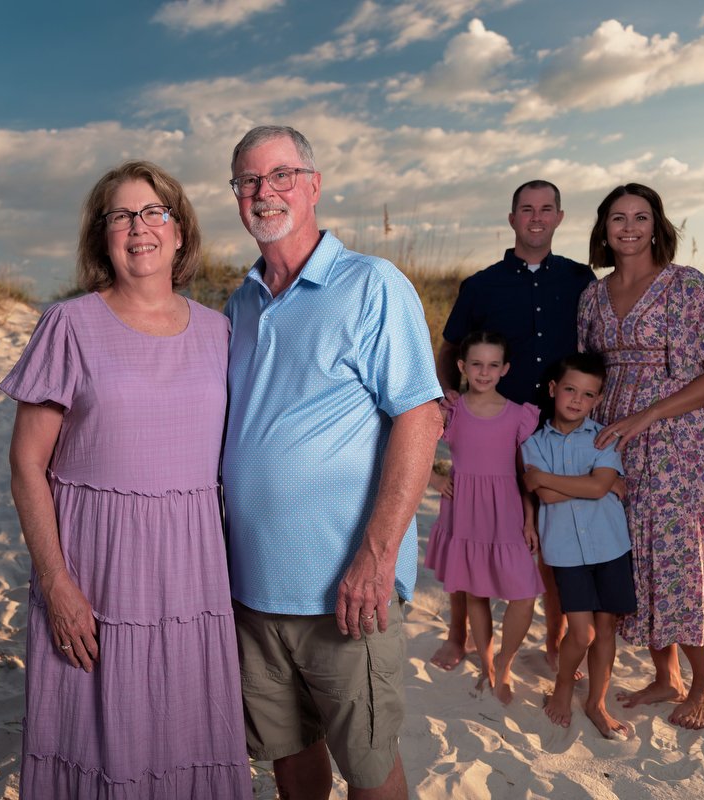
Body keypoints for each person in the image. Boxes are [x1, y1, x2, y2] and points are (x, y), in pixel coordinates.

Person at [2, 160, 251, 797]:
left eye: (152, 213)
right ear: (101, 235)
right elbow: (27, 462)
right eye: (121, 216)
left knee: (185, 733)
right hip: (96, 568)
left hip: (192, 574)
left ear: (179, 231)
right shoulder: (70, 325)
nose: (137, 228)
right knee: (97, 740)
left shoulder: (222, 333)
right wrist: (56, 584)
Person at [222, 125, 442, 799]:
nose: (265, 193)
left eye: (281, 175)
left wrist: (377, 558)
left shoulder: (372, 284)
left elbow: (420, 416)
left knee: (369, 769)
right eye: (249, 181)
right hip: (252, 588)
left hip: (346, 591)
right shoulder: (240, 302)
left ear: (313, 185)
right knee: (290, 756)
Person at [579, 183, 704, 730]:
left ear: (657, 225)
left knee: (678, 555)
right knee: (635, 556)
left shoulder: (685, 286)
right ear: (603, 227)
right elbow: (590, 373)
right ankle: (665, 675)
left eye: (640, 217)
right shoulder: (592, 296)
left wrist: (648, 416)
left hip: (677, 443)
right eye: (618, 218)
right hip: (612, 441)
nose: (629, 227)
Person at [433, 180, 595, 673]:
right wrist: (450, 398)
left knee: (550, 530)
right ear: (512, 219)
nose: (537, 217)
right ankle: (458, 634)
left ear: (560, 218)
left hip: (554, 427)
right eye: (527, 209)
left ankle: (554, 636)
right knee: (470, 524)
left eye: (547, 209)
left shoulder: (580, 279)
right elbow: (450, 349)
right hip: (491, 422)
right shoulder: (481, 285)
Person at [424, 330, 543, 704]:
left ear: (505, 369)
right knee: (475, 591)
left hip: (506, 512)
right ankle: (488, 664)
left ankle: (505, 664)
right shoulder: (452, 411)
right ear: (462, 366)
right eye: (476, 364)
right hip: (465, 511)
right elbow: (411, 442)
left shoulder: (519, 416)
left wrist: (528, 519)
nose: (484, 372)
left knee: (524, 594)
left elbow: (527, 475)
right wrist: (433, 477)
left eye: (493, 365)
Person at [522, 352, 635, 739]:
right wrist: (582, 483)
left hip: (610, 547)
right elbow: (548, 499)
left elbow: (599, 485)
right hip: (567, 552)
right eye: (569, 389)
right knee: (582, 633)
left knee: (606, 631)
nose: (576, 400)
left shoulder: (605, 437)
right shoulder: (533, 443)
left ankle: (596, 702)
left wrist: (547, 479)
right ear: (553, 389)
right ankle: (564, 685)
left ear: (598, 400)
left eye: (587, 395)